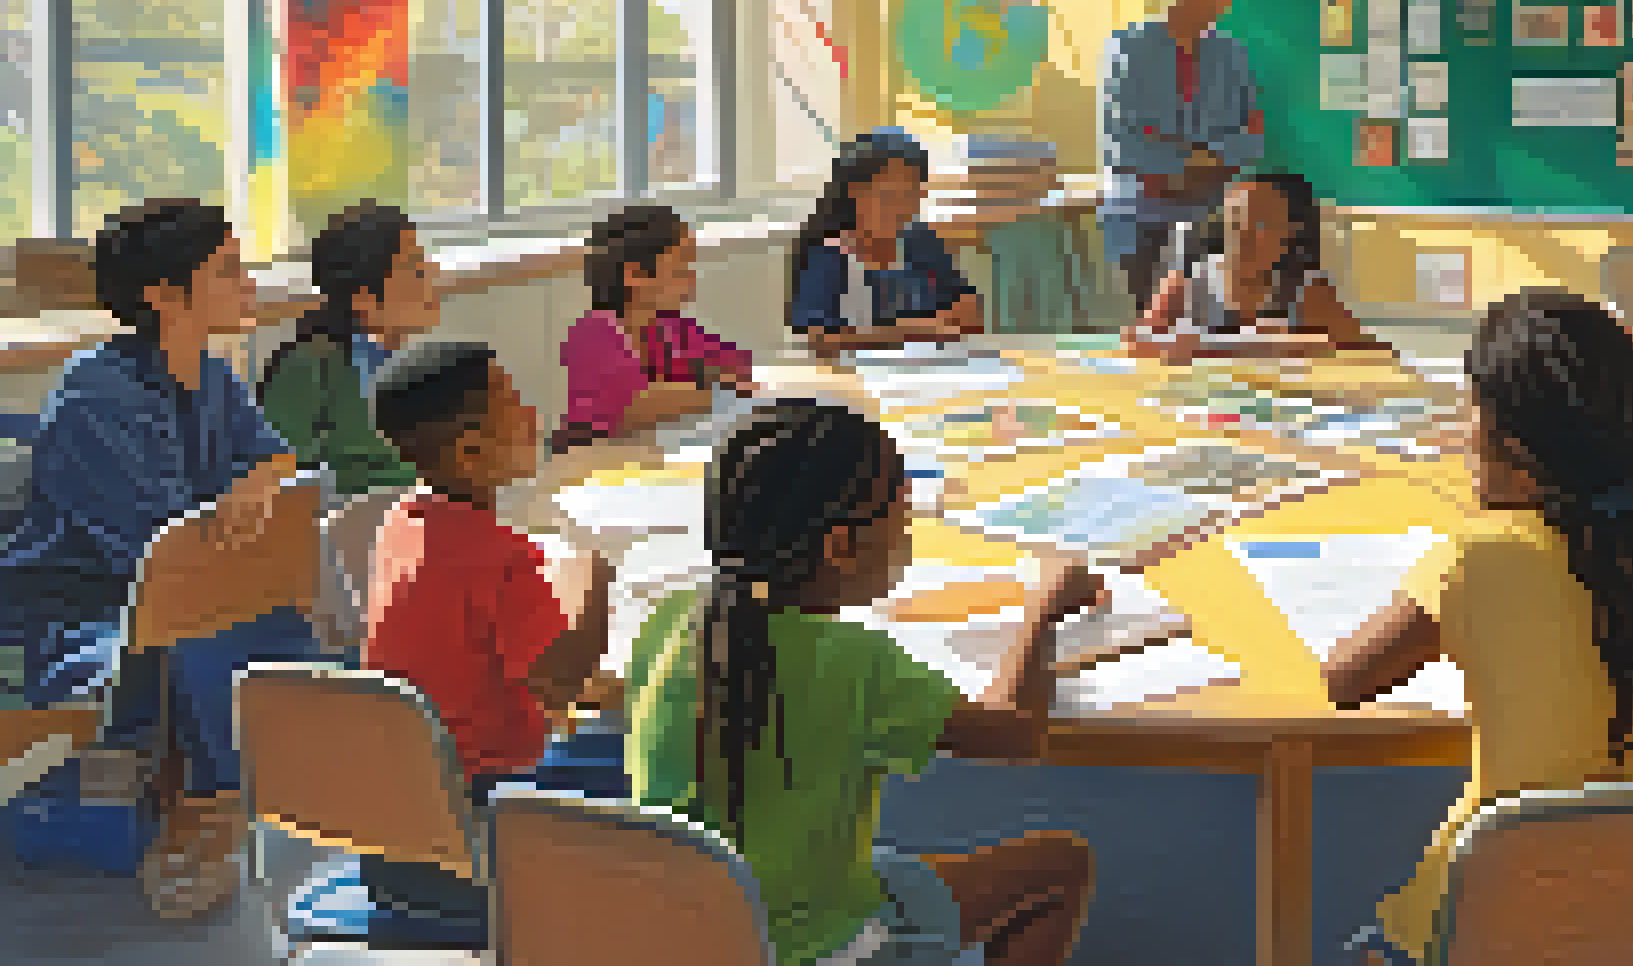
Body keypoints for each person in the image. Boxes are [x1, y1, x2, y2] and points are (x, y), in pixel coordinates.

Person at [1330, 289, 1633, 966]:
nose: (1459, 429)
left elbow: (1344, 678)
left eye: (1470, 408)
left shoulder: (1478, 560)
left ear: (1515, 447)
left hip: (1489, 927)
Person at [623, 397, 1097, 966]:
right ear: (840, 547)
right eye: (903, 516)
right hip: (823, 948)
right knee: (1060, 866)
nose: (908, 534)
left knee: (890, 863)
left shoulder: (671, 621)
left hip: (685, 939)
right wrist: (1044, 609)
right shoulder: (854, 660)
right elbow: (1020, 735)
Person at [0, 198, 322, 919]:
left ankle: (267, 809)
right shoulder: (95, 396)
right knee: (213, 635)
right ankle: (214, 822)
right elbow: (153, 550)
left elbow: (274, 458)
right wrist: (237, 507)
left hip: (183, 589)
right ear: (162, 295)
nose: (249, 287)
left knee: (273, 616)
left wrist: (252, 485)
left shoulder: (212, 375)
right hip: (76, 615)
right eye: (228, 273)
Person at [363, 340, 619, 920]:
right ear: (472, 449)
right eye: (513, 404)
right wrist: (597, 583)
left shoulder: (402, 521)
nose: (532, 414)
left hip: (395, 831)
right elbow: (565, 689)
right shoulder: (502, 559)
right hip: (486, 833)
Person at [1099, 0, 1265, 307]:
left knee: (1209, 324)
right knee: (1141, 325)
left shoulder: (1233, 55)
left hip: (1210, 212)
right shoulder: (1128, 48)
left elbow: (1252, 138)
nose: (1219, 5)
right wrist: (1208, 156)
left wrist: (1183, 153)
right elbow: (1121, 141)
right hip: (1137, 215)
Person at [256, 200, 443, 498]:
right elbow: (285, 485)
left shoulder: (422, 367)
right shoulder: (306, 370)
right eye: (416, 271)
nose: (431, 279)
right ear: (365, 299)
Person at [558, 205, 756, 450]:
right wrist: (712, 388)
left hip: (655, 457)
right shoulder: (592, 335)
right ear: (634, 275)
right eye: (680, 268)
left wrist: (701, 386)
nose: (691, 278)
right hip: (593, 465)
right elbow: (637, 407)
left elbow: (738, 364)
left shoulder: (669, 326)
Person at [1126, 172, 1376, 361]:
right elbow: (1134, 342)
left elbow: (1370, 353)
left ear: (1290, 231)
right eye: (1236, 218)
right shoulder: (1187, 282)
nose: (1243, 233)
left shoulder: (1305, 290)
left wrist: (1313, 345)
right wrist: (1193, 346)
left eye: (1260, 223)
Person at [787, 131, 983, 353]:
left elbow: (969, 310)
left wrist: (959, 316)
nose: (904, 209)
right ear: (856, 193)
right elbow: (818, 337)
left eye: (912, 196)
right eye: (890, 197)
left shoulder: (921, 243)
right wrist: (909, 330)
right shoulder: (828, 254)